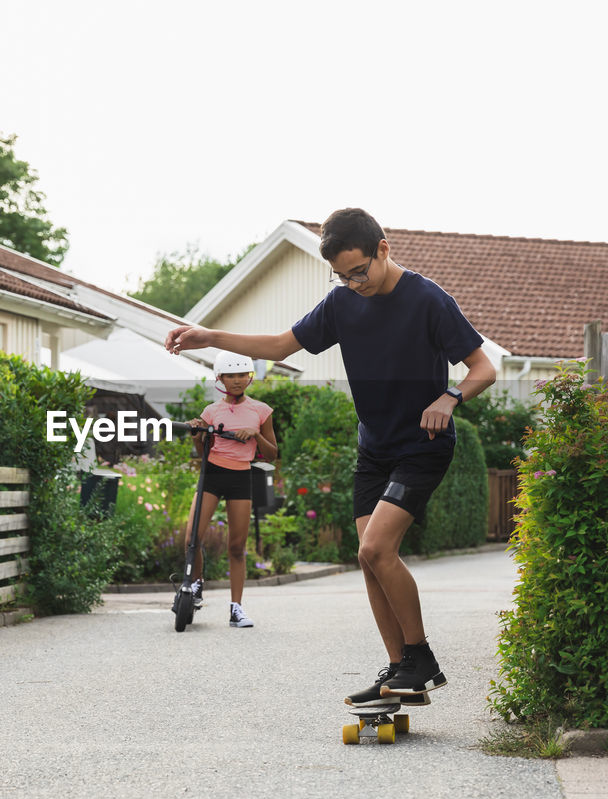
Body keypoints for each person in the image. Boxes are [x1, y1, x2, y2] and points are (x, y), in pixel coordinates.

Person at [166, 208, 496, 704]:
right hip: (374, 449)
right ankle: (399, 672)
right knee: (370, 561)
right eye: (341, 275)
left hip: (421, 447)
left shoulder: (426, 299)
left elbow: (483, 367)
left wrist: (450, 398)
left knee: (375, 549)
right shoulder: (342, 302)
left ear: (383, 249)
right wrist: (210, 336)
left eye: (358, 271)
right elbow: (281, 344)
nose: (351, 282)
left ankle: (421, 659)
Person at [180, 350, 278, 628]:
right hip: (212, 475)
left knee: (236, 547)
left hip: (240, 478)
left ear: (249, 378)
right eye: (230, 375)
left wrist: (256, 435)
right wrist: (197, 434)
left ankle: (236, 608)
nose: (236, 381)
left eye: (241, 375)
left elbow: (272, 454)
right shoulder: (211, 411)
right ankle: (196, 585)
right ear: (220, 378)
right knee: (192, 538)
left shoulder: (261, 411)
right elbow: (202, 451)